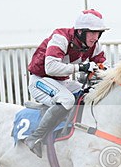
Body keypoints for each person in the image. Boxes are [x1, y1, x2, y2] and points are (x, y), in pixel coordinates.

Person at [24, 9, 110, 157]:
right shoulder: (60, 38)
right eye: (92, 33)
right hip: (40, 80)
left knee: (88, 95)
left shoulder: (95, 46)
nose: (95, 37)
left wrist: (100, 72)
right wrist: (80, 67)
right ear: (80, 32)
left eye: (98, 33)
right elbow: (50, 67)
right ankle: (35, 138)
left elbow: (104, 66)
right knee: (67, 100)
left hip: (62, 82)